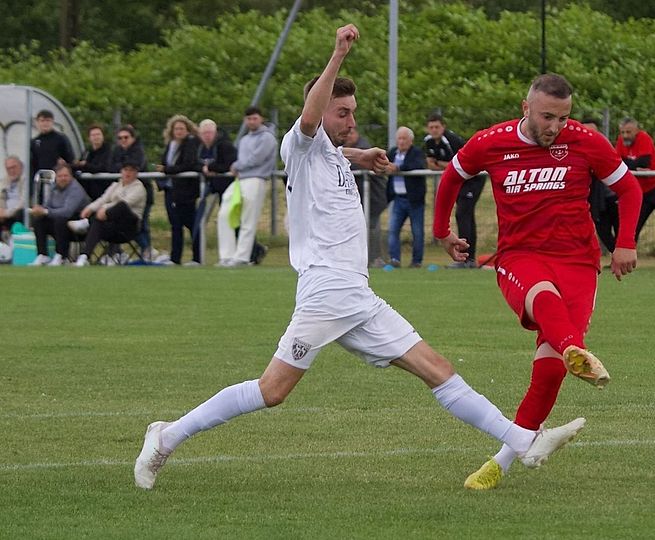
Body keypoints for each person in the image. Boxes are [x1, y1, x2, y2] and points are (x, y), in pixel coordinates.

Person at [134, 25, 585, 491]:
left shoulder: (330, 153)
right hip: (327, 291)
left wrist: (359, 154)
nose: (351, 118)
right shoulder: (299, 142)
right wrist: (338, 55)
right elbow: (310, 123)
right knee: (272, 390)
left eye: (353, 111)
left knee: (437, 370)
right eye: (342, 112)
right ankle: (167, 436)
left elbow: (330, 148)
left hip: (355, 294)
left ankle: (524, 442)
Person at [433, 73, 643, 490]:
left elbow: (630, 189)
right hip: (520, 257)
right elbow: (452, 177)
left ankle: (503, 461)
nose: (555, 127)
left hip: (578, 262)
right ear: (525, 108)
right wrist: (442, 232)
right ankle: (575, 351)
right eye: (547, 117)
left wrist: (625, 243)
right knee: (543, 297)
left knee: (549, 372)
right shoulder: (491, 142)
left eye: (563, 118)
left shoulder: (585, 141)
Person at [217, 107, 277, 267]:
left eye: (254, 118)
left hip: (256, 179)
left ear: (261, 119)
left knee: (248, 219)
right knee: (225, 214)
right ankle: (227, 255)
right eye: (249, 119)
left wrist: (236, 165)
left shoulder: (267, 137)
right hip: (240, 180)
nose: (251, 122)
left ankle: (242, 257)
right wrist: (238, 167)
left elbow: (256, 159)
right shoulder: (244, 139)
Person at [616, 117, 655, 270]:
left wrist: (630, 164)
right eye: (623, 132)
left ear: (636, 131)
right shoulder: (621, 141)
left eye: (628, 132)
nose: (625, 136)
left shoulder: (643, 138)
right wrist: (633, 165)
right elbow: (617, 161)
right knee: (634, 226)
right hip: (642, 191)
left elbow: (643, 162)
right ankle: (626, 262)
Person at [424, 113, 477, 268]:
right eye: (431, 127)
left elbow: (460, 165)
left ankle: (468, 258)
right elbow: (430, 164)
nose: (434, 130)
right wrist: (445, 165)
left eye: (437, 127)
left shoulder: (452, 140)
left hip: (472, 179)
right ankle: (468, 259)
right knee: (463, 214)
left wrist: (441, 164)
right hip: (459, 180)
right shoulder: (428, 141)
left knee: (463, 214)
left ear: (443, 127)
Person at [72, 161, 148, 267]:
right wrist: (89, 209)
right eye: (126, 170)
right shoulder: (116, 185)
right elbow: (103, 199)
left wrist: (105, 210)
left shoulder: (139, 188)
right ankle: (84, 256)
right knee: (97, 222)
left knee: (122, 206)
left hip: (129, 227)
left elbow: (125, 203)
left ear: (136, 173)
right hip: (112, 224)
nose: (128, 173)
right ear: (121, 171)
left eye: (131, 170)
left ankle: (87, 223)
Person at [156, 115, 202, 265]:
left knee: (191, 223)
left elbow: (188, 164)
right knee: (175, 224)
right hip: (170, 190)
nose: (179, 131)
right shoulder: (170, 145)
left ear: (188, 130)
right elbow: (164, 163)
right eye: (176, 129)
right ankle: (175, 258)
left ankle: (197, 258)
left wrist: (167, 169)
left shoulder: (191, 143)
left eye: (182, 128)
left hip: (186, 192)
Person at [192, 119, 238, 265]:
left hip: (229, 187)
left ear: (215, 132)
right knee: (202, 218)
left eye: (210, 132)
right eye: (204, 133)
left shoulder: (225, 145)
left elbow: (230, 165)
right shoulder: (199, 148)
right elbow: (194, 164)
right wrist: (204, 169)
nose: (207, 135)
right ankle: (199, 257)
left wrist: (211, 168)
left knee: (231, 219)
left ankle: (249, 252)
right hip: (211, 187)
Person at [26, 164, 89, 266]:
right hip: (59, 223)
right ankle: (42, 255)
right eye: (60, 176)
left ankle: (61, 256)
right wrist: (39, 210)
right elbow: (47, 206)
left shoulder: (76, 189)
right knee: (39, 221)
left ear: (71, 176)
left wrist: (45, 211)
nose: (63, 178)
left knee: (60, 220)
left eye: (66, 176)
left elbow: (67, 211)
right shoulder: (54, 188)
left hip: (77, 226)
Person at [345, 127, 388, 267]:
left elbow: (357, 165)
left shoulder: (363, 148)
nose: (348, 136)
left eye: (351, 132)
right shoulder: (346, 148)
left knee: (371, 227)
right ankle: (362, 258)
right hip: (361, 198)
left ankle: (375, 258)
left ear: (357, 133)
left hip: (373, 198)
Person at [386, 126, 427, 268]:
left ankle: (417, 261)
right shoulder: (392, 153)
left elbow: (417, 165)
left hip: (414, 200)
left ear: (411, 141)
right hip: (398, 199)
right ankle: (394, 259)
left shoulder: (417, 153)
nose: (401, 141)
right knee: (393, 230)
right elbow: (385, 164)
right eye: (399, 138)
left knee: (417, 232)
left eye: (404, 139)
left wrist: (398, 168)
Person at [109, 125, 152, 257]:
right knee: (118, 222)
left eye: (126, 137)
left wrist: (123, 166)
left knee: (141, 225)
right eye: (120, 138)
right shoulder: (117, 150)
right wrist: (123, 165)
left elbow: (136, 165)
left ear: (133, 138)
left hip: (141, 193)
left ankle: (147, 252)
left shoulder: (139, 150)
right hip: (123, 192)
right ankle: (115, 253)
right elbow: (110, 166)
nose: (123, 140)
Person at [582, 118, 619, 255]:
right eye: (585, 131)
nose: (588, 135)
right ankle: (616, 254)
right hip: (596, 200)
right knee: (603, 231)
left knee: (620, 229)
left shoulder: (605, 148)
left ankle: (621, 256)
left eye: (592, 132)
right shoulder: (576, 151)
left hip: (613, 196)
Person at [29, 109, 75, 202]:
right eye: (42, 121)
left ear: (52, 122)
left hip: (57, 181)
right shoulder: (34, 141)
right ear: (37, 122)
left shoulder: (61, 138)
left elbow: (70, 159)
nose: (45, 123)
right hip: (40, 181)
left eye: (48, 120)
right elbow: (33, 164)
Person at [73, 124, 113, 200]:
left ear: (103, 136)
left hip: (103, 191)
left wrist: (85, 165)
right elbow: (79, 166)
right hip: (88, 191)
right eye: (93, 135)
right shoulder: (87, 152)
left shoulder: (109, 151)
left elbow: (103, 168)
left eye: (98, 134)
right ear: (89, 138)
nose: (96, 137)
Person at [0, 156, 27, 234]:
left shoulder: (26, 180)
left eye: (14, 167)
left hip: (17, 213)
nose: (11, 171)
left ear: (21, 166)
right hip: (4, 213)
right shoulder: (4, 181)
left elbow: (24, 202)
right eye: (8, 168)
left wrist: (7, 213)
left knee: (20, 213)